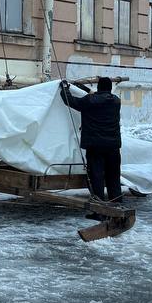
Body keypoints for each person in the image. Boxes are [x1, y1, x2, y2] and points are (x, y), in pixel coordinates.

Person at [60, 76, 123, 206]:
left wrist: (65, 89)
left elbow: (70, 100)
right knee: (114, 178)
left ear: (98, 87)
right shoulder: (116, 101)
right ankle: (117, 206)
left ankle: (98, 209)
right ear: (110, 88)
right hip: (113, 146)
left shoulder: (90, 100)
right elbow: (99, 98)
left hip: (95, 146)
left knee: (97, 178)